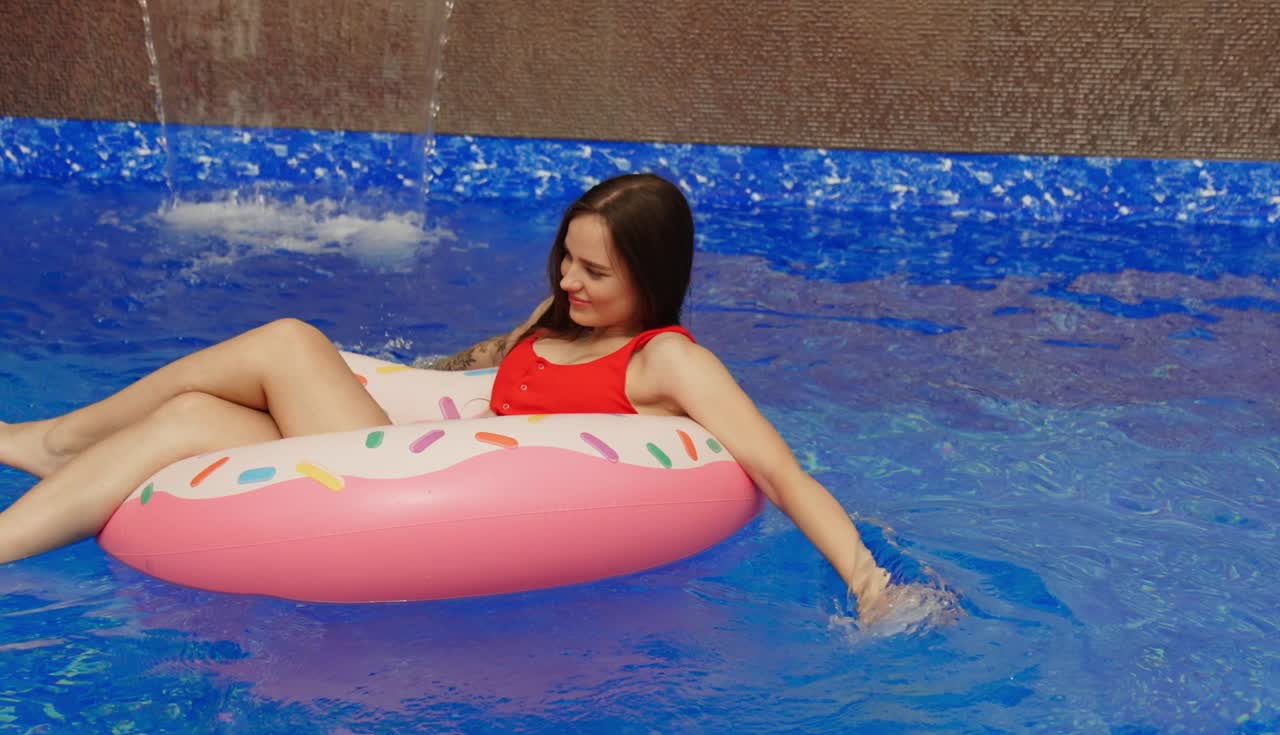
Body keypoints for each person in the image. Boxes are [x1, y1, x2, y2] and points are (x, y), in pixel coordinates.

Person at [0, 172, 900, 620]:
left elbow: (779, 473)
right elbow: (472, 378)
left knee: (287, 342)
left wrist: (868, 583)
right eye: (565, 258)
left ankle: (51, 439)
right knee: (191, 420)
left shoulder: (669, 364)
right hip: (404, 442)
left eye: (595, 271)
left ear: (652, 277)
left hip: (401, 484)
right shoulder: (561, 317)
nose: (569, 281)